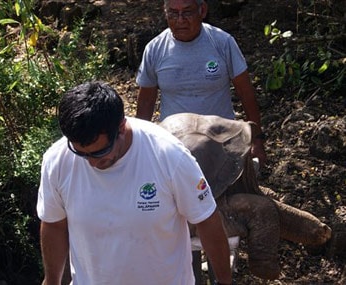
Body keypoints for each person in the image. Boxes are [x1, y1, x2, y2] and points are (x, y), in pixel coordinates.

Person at [36, 80, 232, 285]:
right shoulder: (57, 161)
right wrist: (52, 281)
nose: (92, 163)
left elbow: (206, 219)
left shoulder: (168, 156)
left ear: (121, 128)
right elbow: (54, 225)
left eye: (100, 152)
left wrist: (224, 281)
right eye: (81, 153)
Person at [136, 0, 266, 167]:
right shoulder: (154, 49)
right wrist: (139, 146)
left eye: (187, 12)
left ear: (202, 10)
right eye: (173, 13)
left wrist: (257, 140)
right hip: (174, 144)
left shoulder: (222, 42)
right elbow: (146, 102)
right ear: (165, 12)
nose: (180, 20)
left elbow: (246, 92)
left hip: (222, 141)